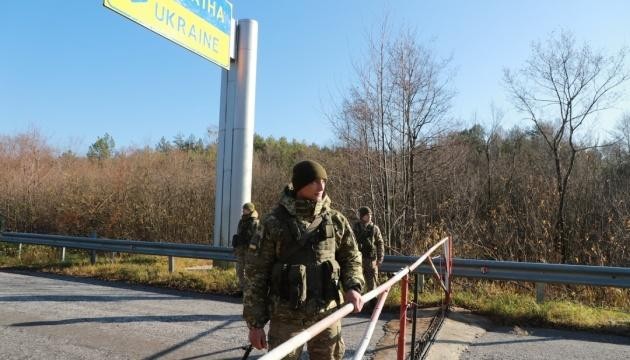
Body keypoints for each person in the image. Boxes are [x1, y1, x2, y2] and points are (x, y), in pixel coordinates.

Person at [243, 160, 365, 360]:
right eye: (315, 181)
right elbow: (256, 274)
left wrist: (353, 286)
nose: (321, 187)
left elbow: (351, 257)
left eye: (324, 181)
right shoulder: (273, 222)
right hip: (286, 317)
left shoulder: (335, 220)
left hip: (327, 313)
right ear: (300, 185)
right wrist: (255, 324)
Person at [352, 206, 384, 295]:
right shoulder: (355, 228)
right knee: (357, 284)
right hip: (358, 260)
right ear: (362, 216)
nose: (370, 216)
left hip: (371, 260)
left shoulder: (374, 228)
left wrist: (380, 259)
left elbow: (380, 243)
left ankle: (373, 306)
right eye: (367, 215)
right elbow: (350, 244)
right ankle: (358, 306)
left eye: (370, 214)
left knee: (372, 286)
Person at [232, 202, 261, 294]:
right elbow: (239, 233)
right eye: (243, 209)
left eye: (246, 209)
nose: (243, 211)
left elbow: (257, 237)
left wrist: (253, 250)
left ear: (250, 210)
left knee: (249, 271)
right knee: (240, 269)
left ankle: (249, 290)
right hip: (241, 249)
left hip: (250, 251)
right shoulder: (241, 221)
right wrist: (236, 244)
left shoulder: (255, 222)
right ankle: (241, 289)